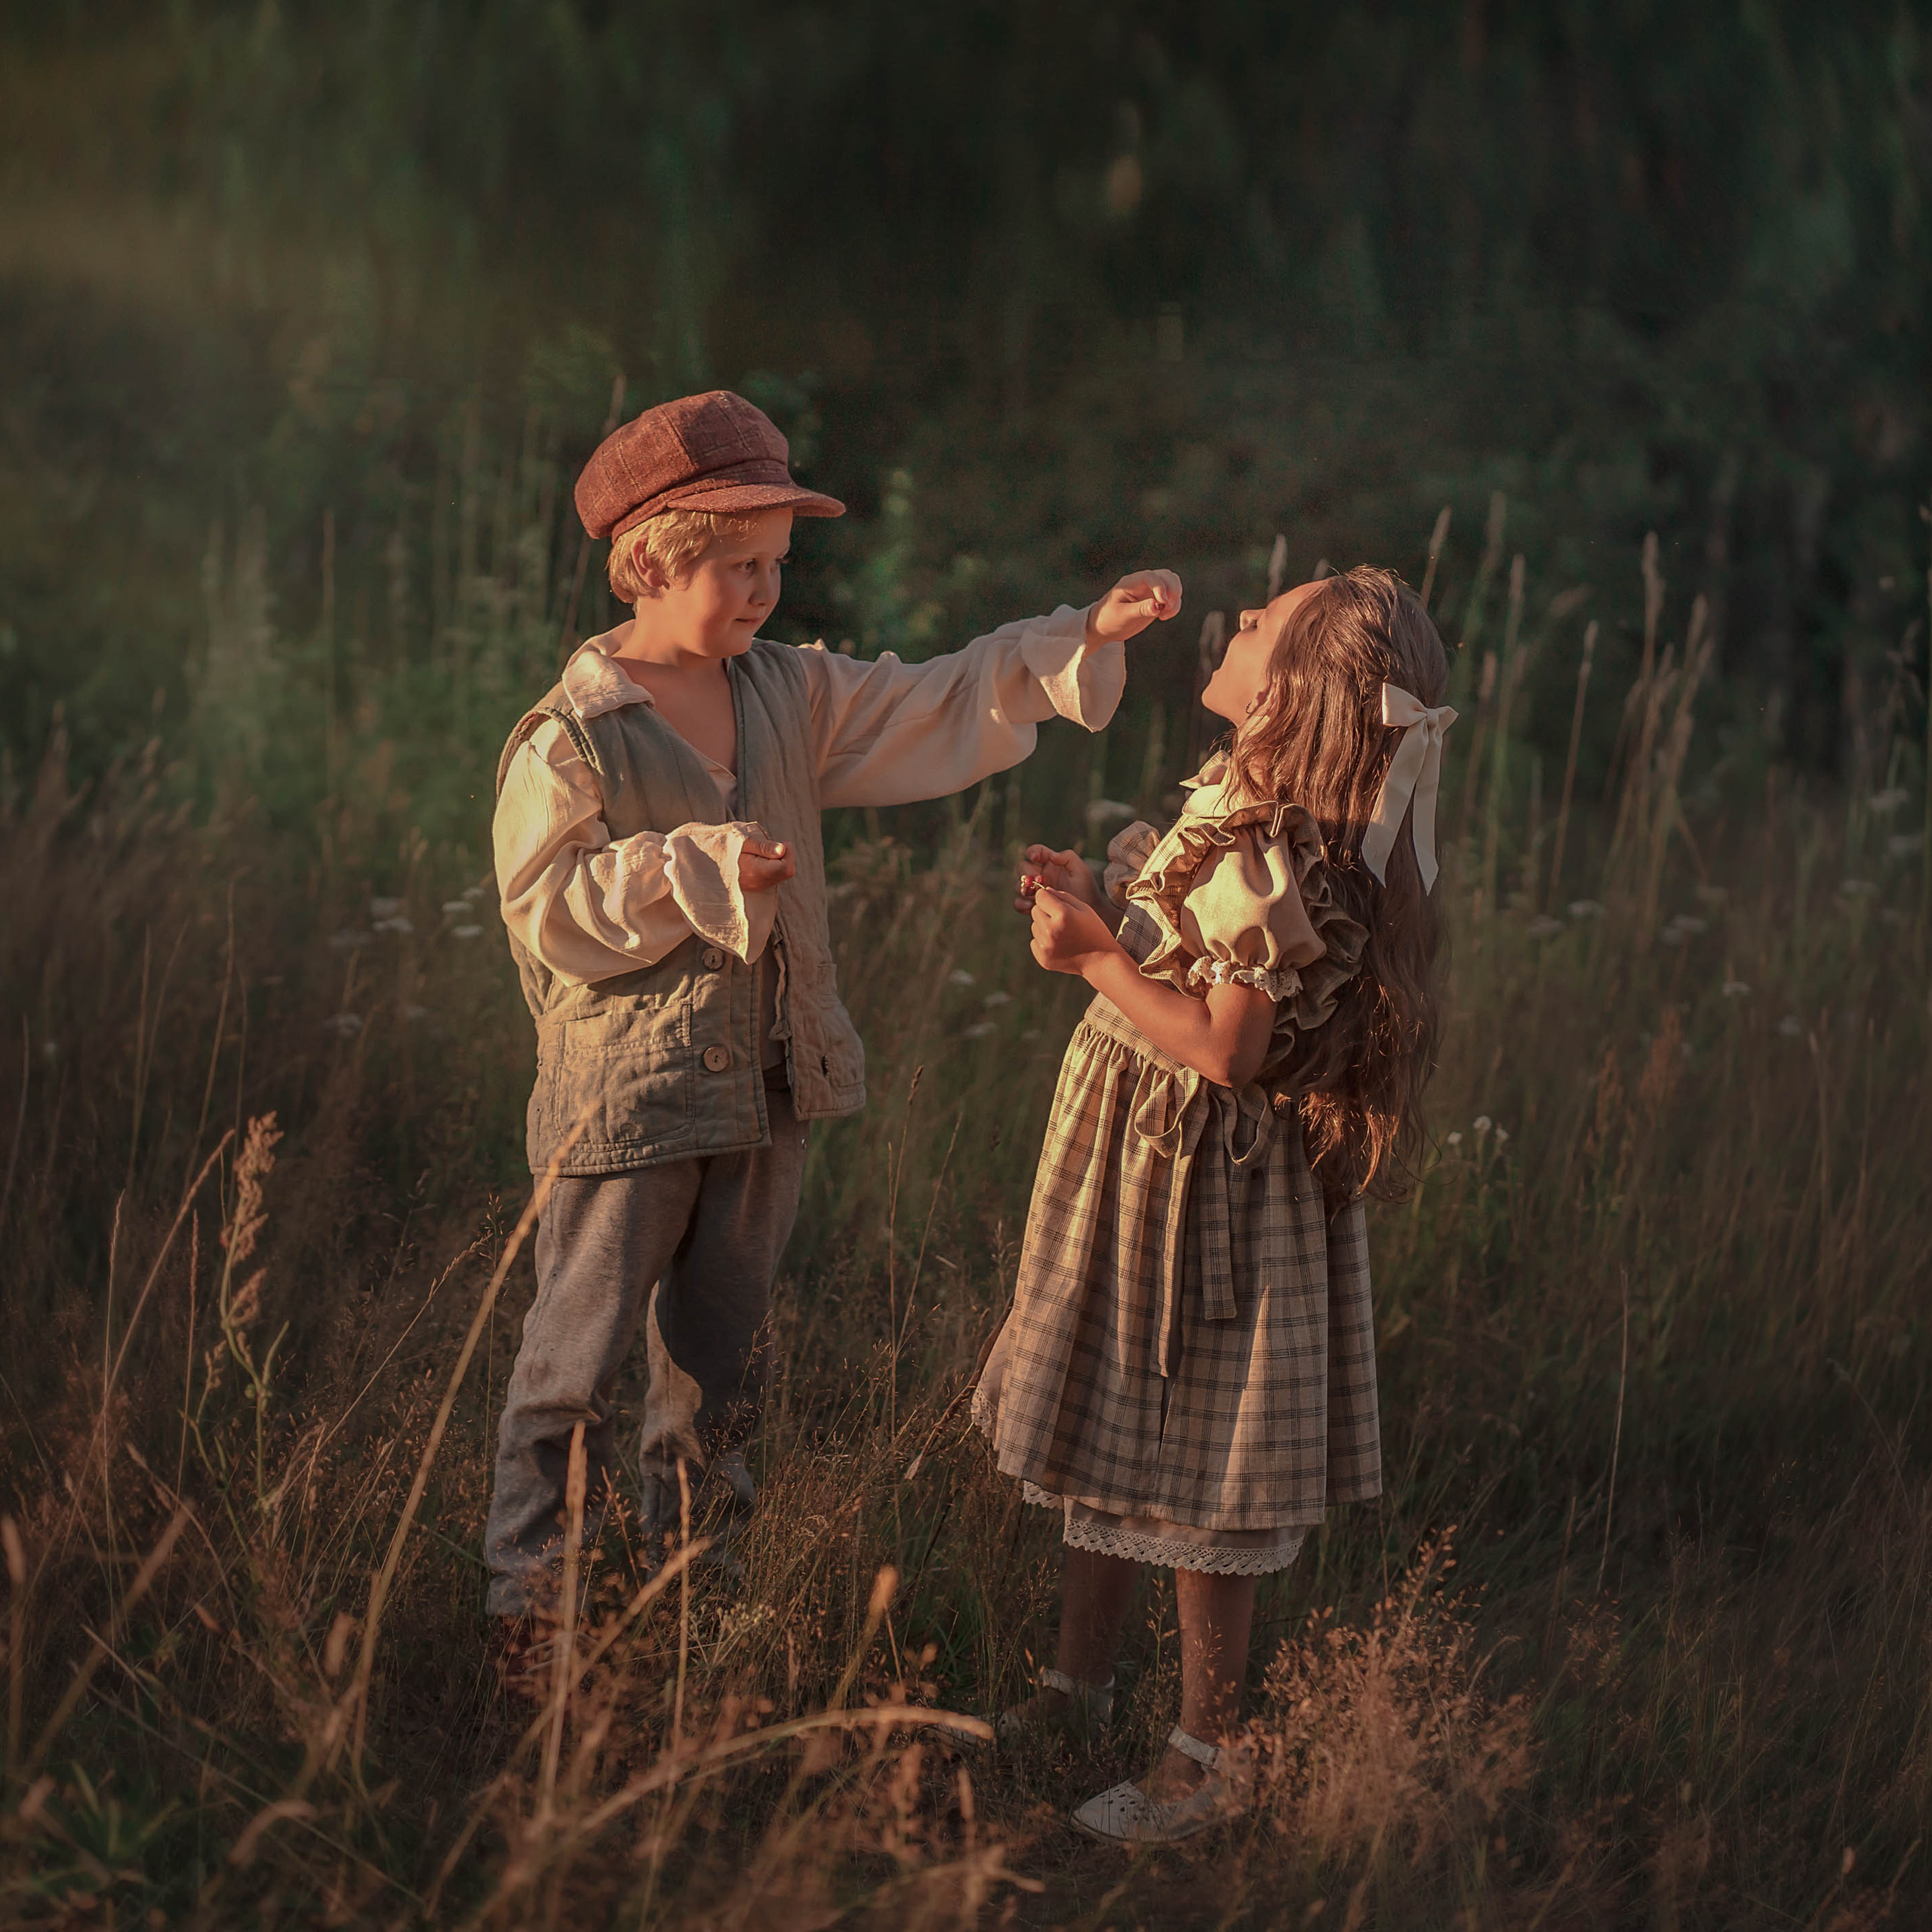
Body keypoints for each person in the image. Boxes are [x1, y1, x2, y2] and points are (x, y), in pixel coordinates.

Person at [483, 386, 1181, 1668]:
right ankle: (538, 1618)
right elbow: (549, 908)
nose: (762, 591)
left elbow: (934, 700)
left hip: (768, 1089)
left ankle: (687, 1603)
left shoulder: (789, 696)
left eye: (774, 567)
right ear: (650, 559)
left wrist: (1076, 635)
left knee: (714, 1370)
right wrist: (688, 868)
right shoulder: (573, 732)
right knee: (571, 1367)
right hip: (625, 1106)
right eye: (735, 566)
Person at [974, 565, 1454, 1843]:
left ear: (1294, 692)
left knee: (1197, 1464)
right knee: (1112, 1416)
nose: (1235, 624)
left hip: (1206, 1178)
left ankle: (1206, 1757)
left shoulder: (1271, 839)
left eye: (1258, 625)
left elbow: (1228, 1050)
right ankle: (1075, 1689)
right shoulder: (1245, 805)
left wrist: (1093, 962)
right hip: (1145, 1157)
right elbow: (1198, 970)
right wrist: (1102, 912)